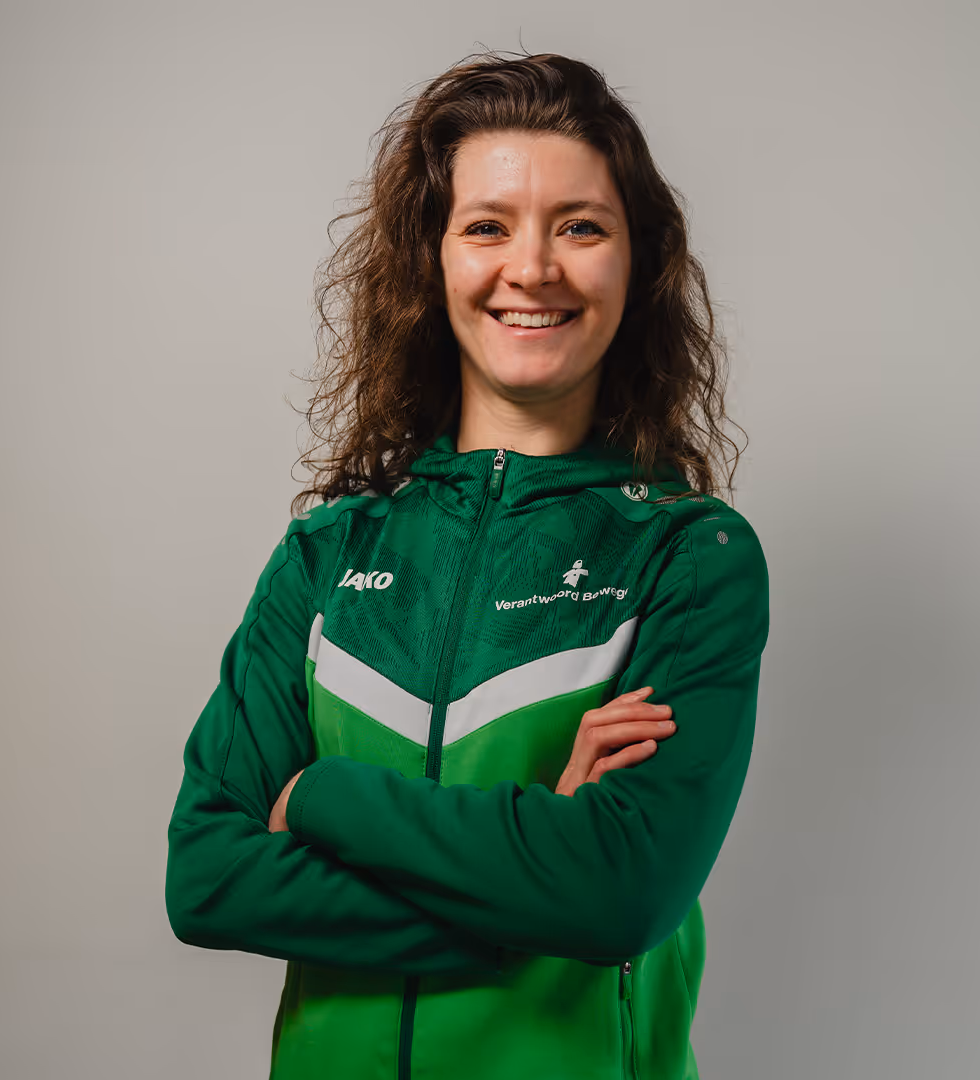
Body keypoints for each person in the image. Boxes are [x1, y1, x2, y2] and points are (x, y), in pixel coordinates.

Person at [166, 49, 769, 1080]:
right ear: (431, 261)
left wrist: (319, 796)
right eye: (487, 227)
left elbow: (618, 894)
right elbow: (208, 878)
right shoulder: (329, 553)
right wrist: (536, 884)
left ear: (638, 264)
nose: (531, 268)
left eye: (580, 227)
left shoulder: (688, 555)